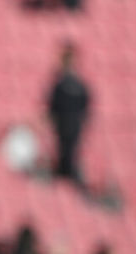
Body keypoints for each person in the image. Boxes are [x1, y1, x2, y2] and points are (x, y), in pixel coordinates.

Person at [47, 42, 90, 188]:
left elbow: (86, 105)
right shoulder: (59, 84)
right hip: (62, 126)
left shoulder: (78, 85)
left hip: (72, 126)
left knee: (71, 152)